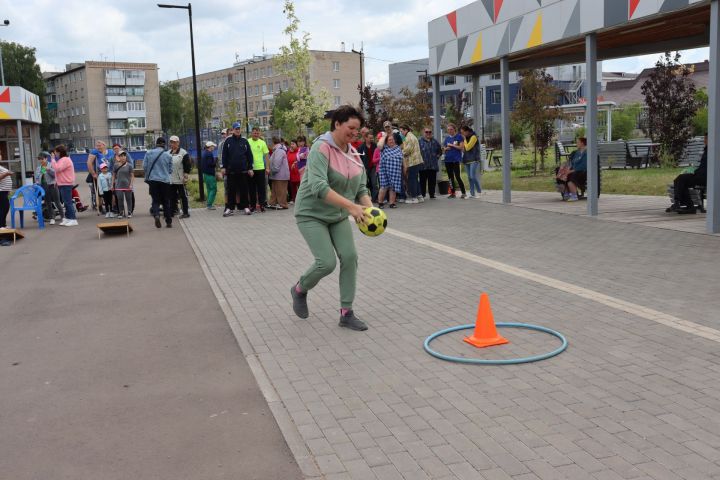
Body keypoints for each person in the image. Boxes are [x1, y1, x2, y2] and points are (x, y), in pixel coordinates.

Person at [290, 105, 372, 332]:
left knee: (350, 256)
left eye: (358, 129)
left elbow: (361, 188)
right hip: (311, 214)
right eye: (351, 128)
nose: (355, 133)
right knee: (326, 262)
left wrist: (371, 211)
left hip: (336, 215)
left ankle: (347, 313)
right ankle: (299, 289)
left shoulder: (354, 154)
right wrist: (352, 208)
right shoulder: (321, 148)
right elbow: (318, 187)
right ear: (337, 123)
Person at [669, 134, 708, 214]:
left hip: (704, 177)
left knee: (680, 179)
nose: (704, 141)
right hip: (701, 175)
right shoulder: (708, 149)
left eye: (705, 139)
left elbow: (705, 169)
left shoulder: (711, 151)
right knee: (681, 180)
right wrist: (694, 171)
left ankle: (683, 205)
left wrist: (695, 172)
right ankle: (685, 205)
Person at [221, 122, 254, 217]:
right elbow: (224, 155)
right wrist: (223, 167)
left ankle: (246, 207)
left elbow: (249, 155)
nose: (238, 130)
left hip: (243, 170)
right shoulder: (228, 141)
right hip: (231, 171)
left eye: (239, 128)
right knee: (231, 190)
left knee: (244, 189)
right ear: (232, 130)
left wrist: (250, 168)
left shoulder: (244, 141)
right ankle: (229, 208)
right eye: (236, 129)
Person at [143, 137, 174, 228]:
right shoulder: (168, 155)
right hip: (165, 181)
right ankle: (168, 222)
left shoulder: (149, 153)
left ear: (156, 144)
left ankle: (156, 215)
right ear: (164, 144)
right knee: (166, 201)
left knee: (155, 200)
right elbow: (170, 170)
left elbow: (144, 166)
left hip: (153, 180)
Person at [51, 144, 78, 227]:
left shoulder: (65, 159)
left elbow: (57, 168)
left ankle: (73, 219)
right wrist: (56, 181)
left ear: (60, 152)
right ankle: (67, 218)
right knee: (66, 203)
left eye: (56, 152)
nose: (55, 154)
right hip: (62, 183)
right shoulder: (62, 159)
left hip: (66, 183)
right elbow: (58, 172)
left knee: (68, 202)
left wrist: (52, 159)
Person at [35, 151, 63, 225]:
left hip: (52, 185)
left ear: (46, 159)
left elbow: (55, 175)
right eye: (39, 159)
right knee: (48, 203)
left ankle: (63, 217)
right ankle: (52, 218)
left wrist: (49, 170)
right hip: (44, 186)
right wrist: (37, 183)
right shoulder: (39, 168)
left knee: (57, 202)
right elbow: (37, 178)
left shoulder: (51, 165)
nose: (41, 161)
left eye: (42, 159)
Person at [377, 132, 404, 209]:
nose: (391, 141)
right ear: (386, 141)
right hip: (384, 171)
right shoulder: (384, 148)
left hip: (396, 172)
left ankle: (392, 203)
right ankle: (380, 203)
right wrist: (384, 137)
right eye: (389, 140)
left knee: (393, 188)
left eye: (392, 139)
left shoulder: (398, 148)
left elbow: (401, 159)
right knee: (384, 187)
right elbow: (379, 146)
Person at [556, 137, 588, 202]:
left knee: (571, 175)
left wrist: (570, 171)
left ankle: (574, 195)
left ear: (582, 143)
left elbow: (583, 166)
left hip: (583, 171)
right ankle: (566, 193)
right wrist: (564, 167)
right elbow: (571, 162)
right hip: (574, 170)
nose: (576, 144)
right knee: (559, 172)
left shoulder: (586, 152)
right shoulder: (577, 152)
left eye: (577, 142)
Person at [168, 135, 192, 219]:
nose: (173, 144)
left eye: (174, 142)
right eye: (171, 142)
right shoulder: (168, 153)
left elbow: (187, 165)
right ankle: (171, 212)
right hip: (171, 179)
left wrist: (186, 176)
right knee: (171, 196)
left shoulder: (183, 152)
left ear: (178, 143)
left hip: (180, 179)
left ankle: (185, 212)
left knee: (183, 196)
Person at [87, 140, 114, 212]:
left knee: (111, 191)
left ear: (104, 145)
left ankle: (112, 206)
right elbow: (89, 163)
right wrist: (93, 173)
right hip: (100, 175)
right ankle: (100, 207)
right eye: (97, 146)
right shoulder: (95, 152)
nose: (98, 147)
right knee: (100, 191)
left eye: (99, 145)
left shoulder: (111, 151)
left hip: (110, 174)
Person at [399, 125, 423, 204]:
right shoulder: (412, 136)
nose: (401, 133)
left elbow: (407, 150)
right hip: (416, 161)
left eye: (402, 131)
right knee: (415, 179)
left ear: (406, 130)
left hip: (412, 161)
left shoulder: (409, 138)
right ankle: (419, 196)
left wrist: (399, 153)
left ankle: (414, 198)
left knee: (411, 179)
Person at [248, 127, 270, 212]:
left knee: (261, 188)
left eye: (257, 133)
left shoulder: (262, 143)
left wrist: (267, 167)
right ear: (251, 133)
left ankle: (262, 205)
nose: (256, 135)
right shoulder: (247, 141)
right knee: (252, 188)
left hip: (261, 168)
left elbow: (267, 156)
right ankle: (252, 206)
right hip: (251, 169)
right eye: (254, 133)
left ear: (259, 134)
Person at [443, 124, 466, 199]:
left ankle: (463, 193)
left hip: (455, 160)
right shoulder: (446, 138)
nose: (450, 131)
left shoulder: (459, 137)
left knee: (457, 176)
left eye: (451, 129)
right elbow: (443, 148)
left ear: (454, 129)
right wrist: (445, 149)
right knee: (450, 177)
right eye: (448, 129)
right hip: (448, 160)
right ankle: (452, 193)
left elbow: (461, 148)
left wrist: (452, 145)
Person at [419, 127, 441, 199]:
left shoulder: (435, 141)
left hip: (432, 165)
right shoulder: (419, 141)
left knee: (432, 181)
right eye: (426, 132)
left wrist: (437, 156)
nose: (428, 133)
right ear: (423, 133)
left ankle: (432, 194)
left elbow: (440, 150)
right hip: (423, 165)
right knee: (422, 181)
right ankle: (422, 194)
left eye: (430, 132)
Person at [460, 126, 482, 198]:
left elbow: (468, 147)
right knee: (469, 177)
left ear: (467, 131)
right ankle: (472, 193)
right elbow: (464, 149)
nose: (462, 134)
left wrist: (464, 139)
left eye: (463, 133)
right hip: (467, 159)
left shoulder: (474, 137)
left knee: (472, 176)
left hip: (474, 159)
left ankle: (479, 192)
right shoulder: (466, 138)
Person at [356, 129, 378, 203]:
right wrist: (362, 167)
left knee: (374, 183)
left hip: (373, 167)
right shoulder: (361, 147)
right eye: (370, 138)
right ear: (365, 138)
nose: (371, 139)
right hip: (365, 168)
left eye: (372, 138)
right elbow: (358, 158)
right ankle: (365, 198)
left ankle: (374, 198)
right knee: (365, 184)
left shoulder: (375, 146)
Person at [268, 137, 290, 209]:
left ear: (273, 143)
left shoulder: (279, 151)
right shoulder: (276, 150)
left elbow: (277, 163)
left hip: (280, 175)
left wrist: (272, 171)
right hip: (276, 175)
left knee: (281, 191)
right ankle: (272, 203)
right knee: (274, 190)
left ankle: (283, 204)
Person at [113, 150, 134, 218]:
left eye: (124, 156)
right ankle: (121, 212)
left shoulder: (129, 165)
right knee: (120, 199)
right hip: (118, 185)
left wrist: (131, 184)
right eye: (121, 156)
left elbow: (132, 176)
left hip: (127, 185)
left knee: (129, 199)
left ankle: (129, 212)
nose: (123, 157)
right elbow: (113, 175)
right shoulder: (116, 165)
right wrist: (112, 184)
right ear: (118, 157)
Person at [201, 141, 218, 210]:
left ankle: (209, 204)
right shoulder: (209, 154)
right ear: (210, 147)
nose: (213, 147)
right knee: (214, 189)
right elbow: (210, 164)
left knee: (209, 189)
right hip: (210, 174)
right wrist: (215, 162)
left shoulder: (204, 153)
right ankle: (209, 204)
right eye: (213, 146)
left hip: (205, 174)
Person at [0, 151, 11, 229]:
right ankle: (1, 225)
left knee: (6, 207)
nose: (0, 156)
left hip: (4, 191)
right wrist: (6, 174)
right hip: (1, 191)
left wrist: (8, 189)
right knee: (3, 208)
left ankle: (3, 224)